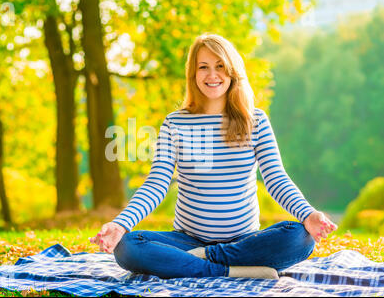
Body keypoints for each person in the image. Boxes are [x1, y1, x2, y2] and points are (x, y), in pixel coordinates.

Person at [89, 33, 337, 279]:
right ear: (193, 74)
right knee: (128, 245)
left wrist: (308, 214)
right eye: (203, 67)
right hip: (187, 241)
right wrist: (120, 224)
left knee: (299, 237)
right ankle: (228, 270)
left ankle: (202, 261)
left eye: (220, 66)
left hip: (244, 241)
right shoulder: (175, 122)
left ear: (232, 72)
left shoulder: (256, 120)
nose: (212, 75)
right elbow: (157, 183)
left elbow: (276, 179)